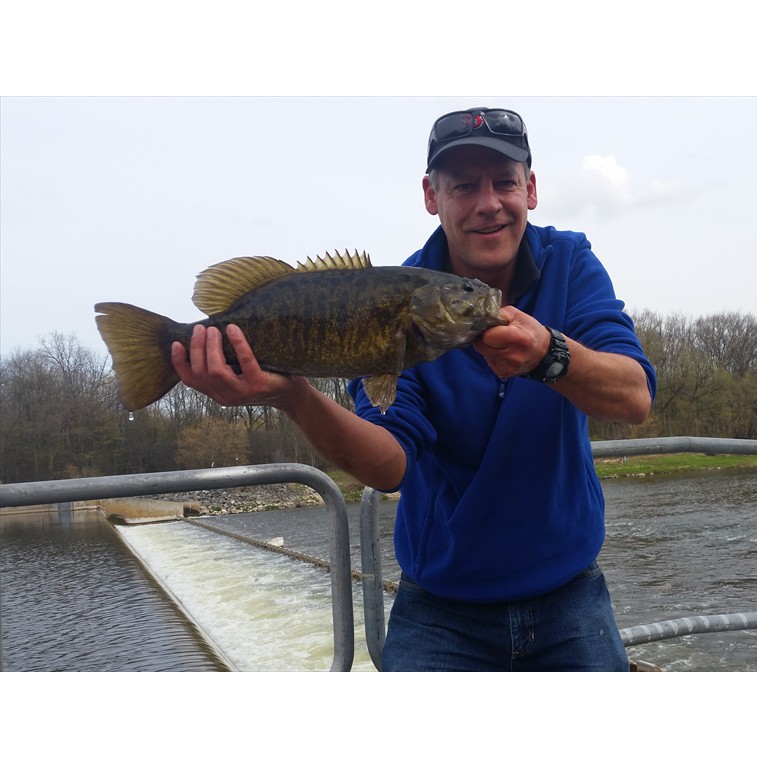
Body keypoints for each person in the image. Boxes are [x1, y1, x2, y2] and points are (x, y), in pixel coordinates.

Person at [171, 106, 657, 671]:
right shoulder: (388, 299)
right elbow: (389, 466)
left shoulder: (569, 262)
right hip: (441, 608)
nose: (488, 203)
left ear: (530, 188)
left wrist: (550, 355)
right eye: (463, 186)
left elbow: (634, 399)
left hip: (568, 592)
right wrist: (293, 397)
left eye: (504, 182)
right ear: (432, 196)